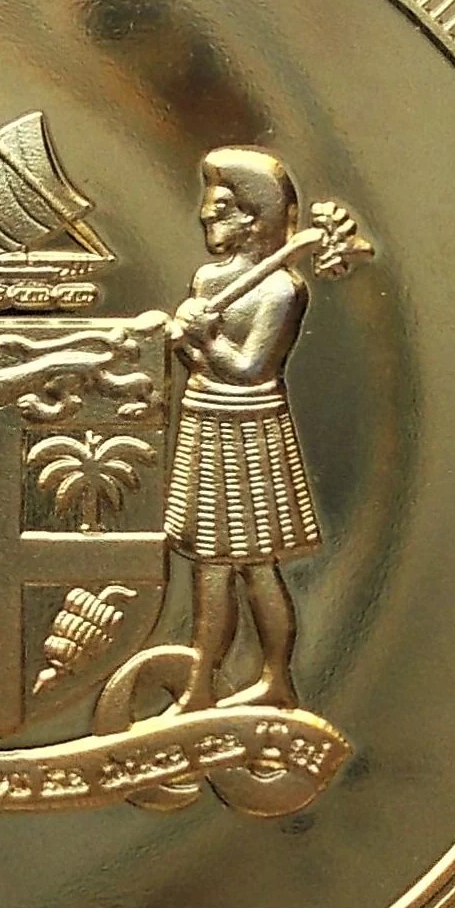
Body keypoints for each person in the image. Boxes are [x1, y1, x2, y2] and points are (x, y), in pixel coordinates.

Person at [165, 147, 324, 711]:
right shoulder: (208, 280)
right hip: (203, 422)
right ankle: (199, 686)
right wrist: (186, 341)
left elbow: (250, 368)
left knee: (257, 566)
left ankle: (276, 680)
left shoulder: (282, 291)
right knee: (208, 568)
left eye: (221, 208)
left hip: (251, 432)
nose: (205, 215)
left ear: (254, 218)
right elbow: (199, 365)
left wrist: (205, 337)